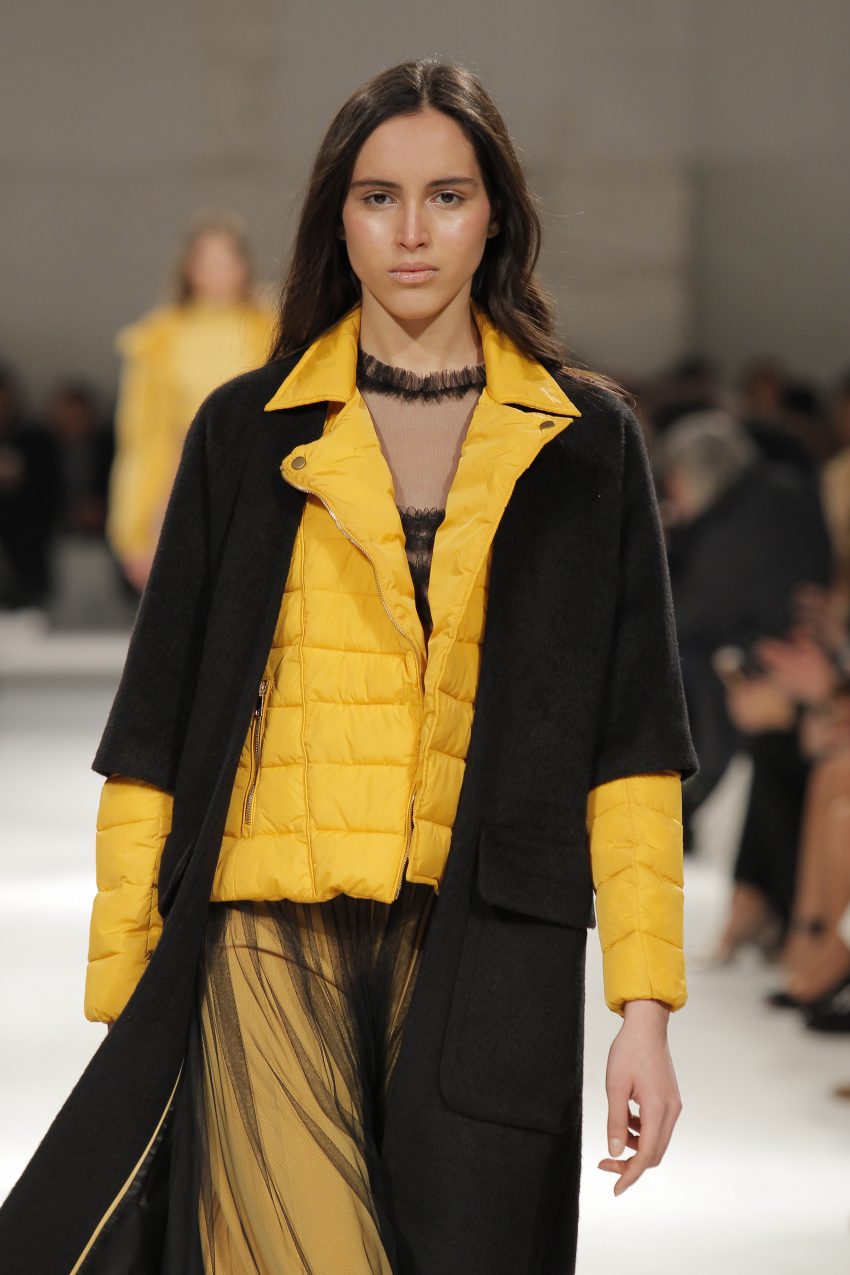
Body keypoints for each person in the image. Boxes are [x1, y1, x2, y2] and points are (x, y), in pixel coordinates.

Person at [0, 60, 698, 1274]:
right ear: (338, 217)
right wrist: (126, 987)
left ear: (497, 217)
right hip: (264, 927)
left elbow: (630, 746)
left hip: (488, 942)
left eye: (447, 196)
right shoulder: (248, 430)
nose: (412, 230)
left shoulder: (586, 447)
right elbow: (155, 724)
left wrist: (646, 1011)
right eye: (379, 197)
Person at [106, 211, 276, 592]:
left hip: (258, 483)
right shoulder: (160, 338)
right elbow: (143, 436)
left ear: (243, 266)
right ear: (189, 269)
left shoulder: (273, 328)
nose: (218, 271)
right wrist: (136, 530)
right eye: (207, 260)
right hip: (182, 478)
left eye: (227, 258)